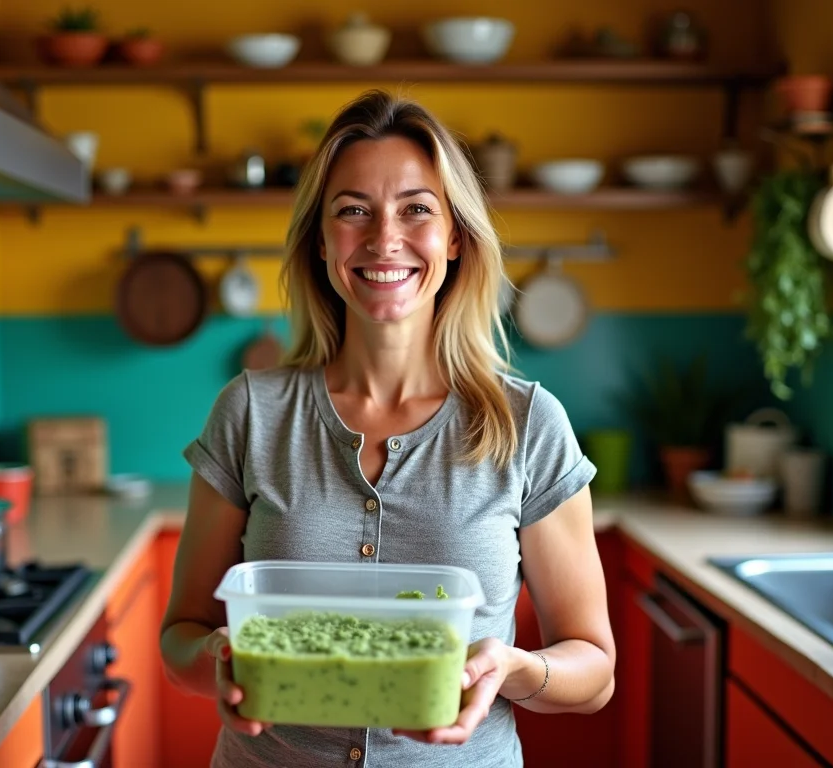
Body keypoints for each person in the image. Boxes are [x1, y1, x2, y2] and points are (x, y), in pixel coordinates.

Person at [160, 89, 615, 768]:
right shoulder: (251, 413)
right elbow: (182, 636)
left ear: (455, 235)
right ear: (320, 238)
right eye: (352, 212)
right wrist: (217, 660)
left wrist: (511, 669)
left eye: (416, 210)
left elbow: (595, 669)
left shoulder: (526, 424)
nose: (383, 239)